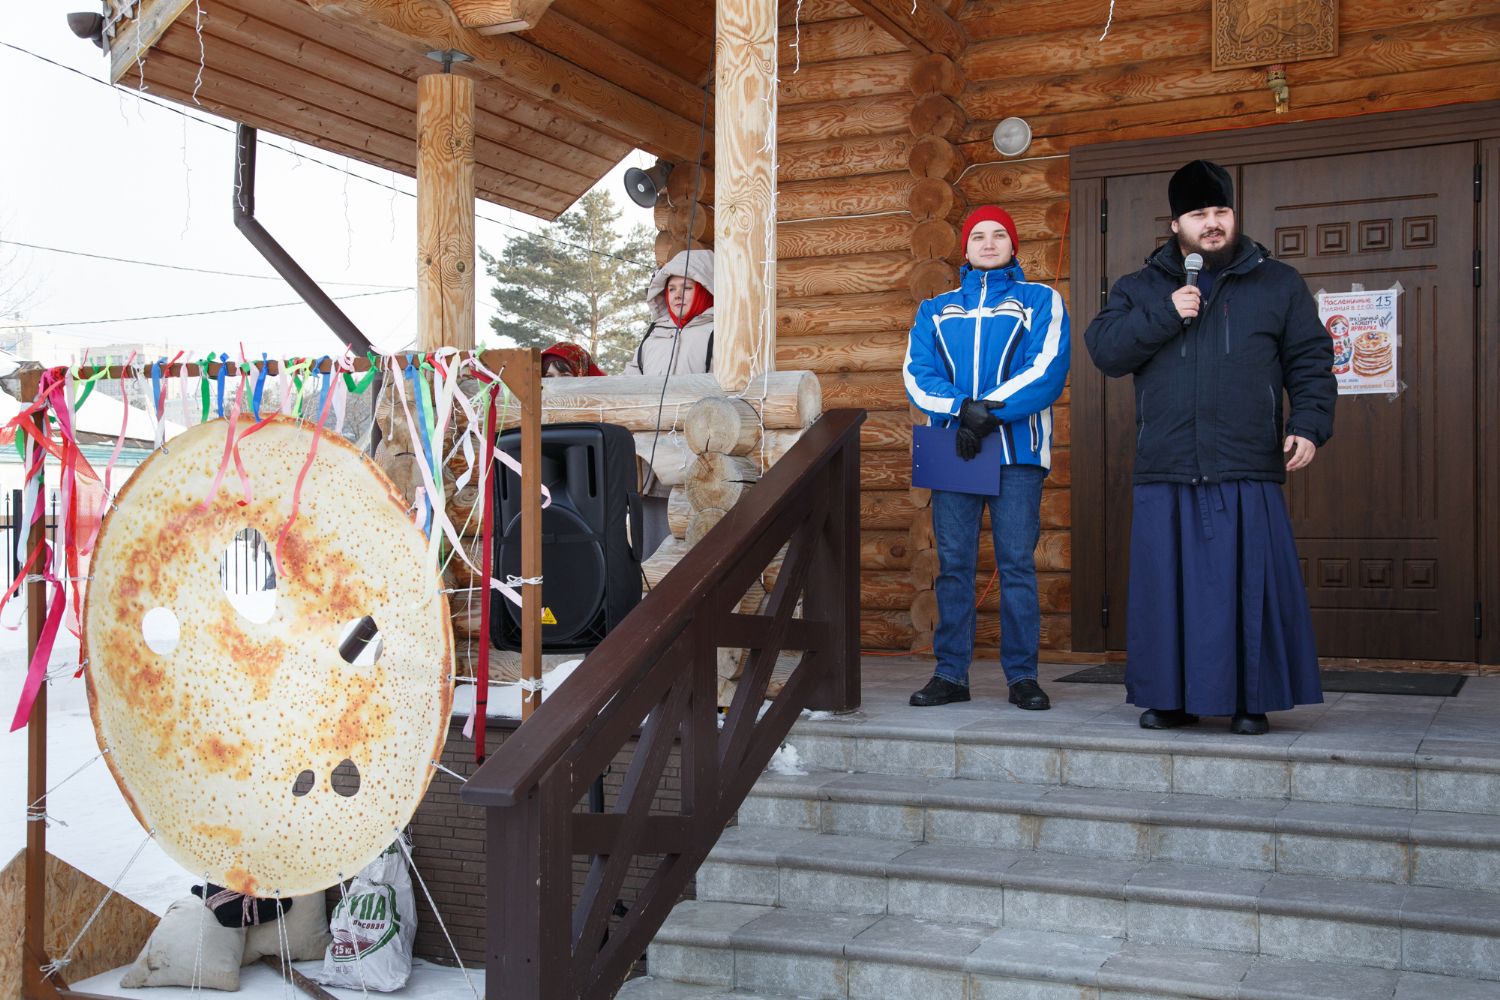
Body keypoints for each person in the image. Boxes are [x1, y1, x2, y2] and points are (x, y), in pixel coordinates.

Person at [1083, 159, 1336, 736]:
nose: (1213, 222)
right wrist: (1165, 313)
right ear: (1176, 223)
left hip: (1245, 462)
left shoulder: (1279, 283)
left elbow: (1311, 360)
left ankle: (1250, 701)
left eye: (1221, 210)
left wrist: (1309, 424)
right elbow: (1106, 351)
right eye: (1199, 213)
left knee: (1248, 590)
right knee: (1168, 595)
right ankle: (1171, 699)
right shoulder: (1140, 288)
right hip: (1167, 465)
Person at [903, 206, 1070, 710]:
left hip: (1017, 450)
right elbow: (917, 372)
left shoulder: (1040, 300)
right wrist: (961, 409)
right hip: (954, 447)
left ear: (1014, 246)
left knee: (1016, 565)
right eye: (979, 235)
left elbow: (1046, 367)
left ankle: (1023, 677)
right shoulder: (936, 309)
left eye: (1000, 235)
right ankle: (951, 674)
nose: (990, 242)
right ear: (967, 247)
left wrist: (988, 412)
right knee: (954, 565)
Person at [625, 248, 715, 376]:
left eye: (687, 288)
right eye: (671, 289)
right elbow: (629, 381)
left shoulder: (723, 334)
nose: (677, 295)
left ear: (705, 290)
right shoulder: (654, 334)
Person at [540, 341, 606, 377]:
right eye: (549, 376)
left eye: (565, 376)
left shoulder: (602, 396)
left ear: (582, 373)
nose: (556, 382)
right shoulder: (538, 397)